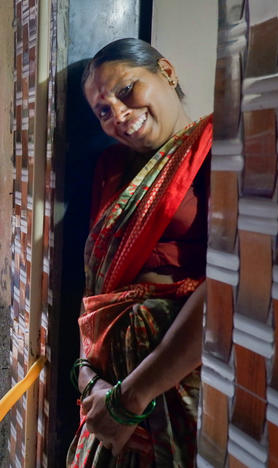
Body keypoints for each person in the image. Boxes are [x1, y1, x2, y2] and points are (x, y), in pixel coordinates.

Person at [67, 38, 213, 467]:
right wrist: (89, 379)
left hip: (172, 382)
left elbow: (232, 288)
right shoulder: (111, 171)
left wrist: (134, 397)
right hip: (108, 386)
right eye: (103, 111)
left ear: (165, 72)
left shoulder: (217, 147)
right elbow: (97, 292)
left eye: (127, 90)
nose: (119, 115)